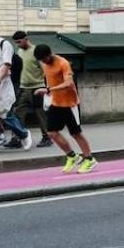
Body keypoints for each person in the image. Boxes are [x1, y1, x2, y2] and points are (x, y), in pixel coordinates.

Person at [33, 43, 96, 173]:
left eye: (44, 59)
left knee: (76, 133)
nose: (44, 62)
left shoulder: (63, 63)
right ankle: (72, 156)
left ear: (49, 54)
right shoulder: (44, 64)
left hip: (70, 103)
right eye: (41, 60)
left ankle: (89, 159)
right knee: (51, 132)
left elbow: (69, 83)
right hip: (56, 102)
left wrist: (49, 90)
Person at [0, 20, 32, 154]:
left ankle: (24, 134)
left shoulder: (5, 44)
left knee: (5, 114)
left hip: (2, 83)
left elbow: (6, 65)